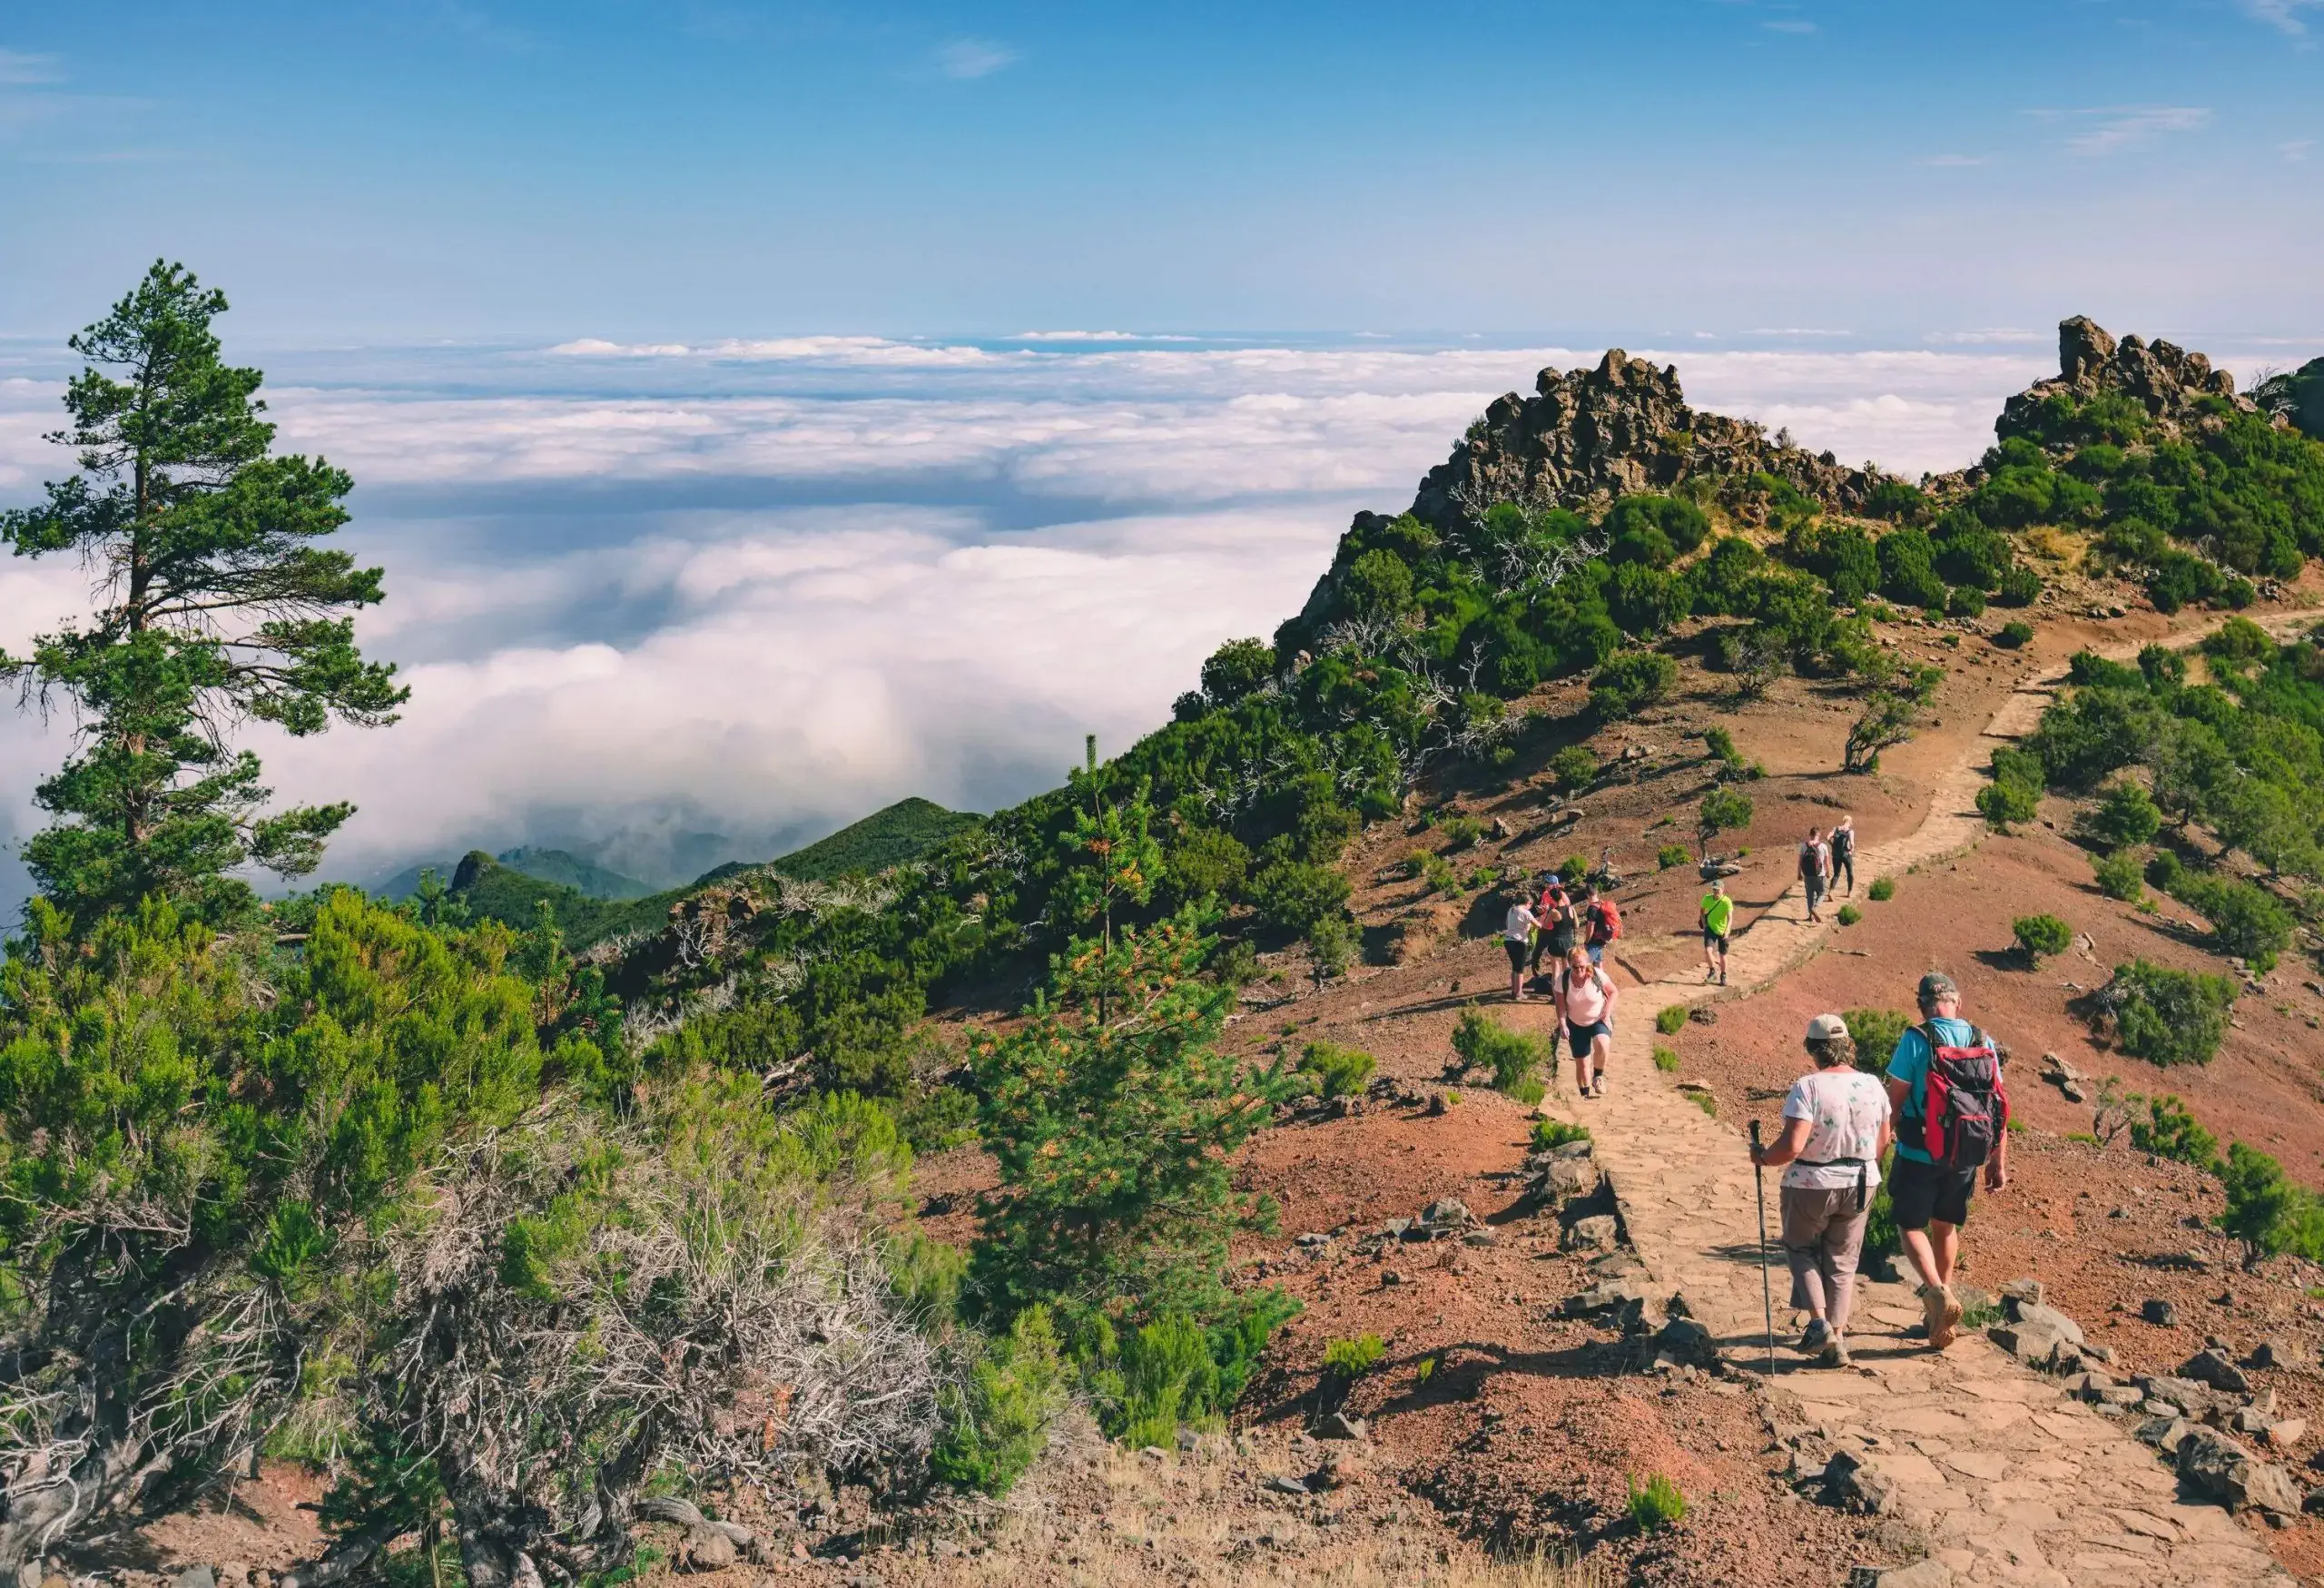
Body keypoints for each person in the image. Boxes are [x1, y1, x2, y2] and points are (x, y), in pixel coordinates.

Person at [1750, 1014, 1893, 1367]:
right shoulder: (1874, 1084)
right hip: (1861, 1180)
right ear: (1847, 1046)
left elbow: (1793, 1145)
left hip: (1812, 1182)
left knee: (1801, 1249)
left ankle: (1819, 1325)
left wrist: (1764, 1158)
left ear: (1813, 1048)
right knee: (1843, 1261)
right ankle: (1839, 1340)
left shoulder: (1808, 1086)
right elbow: (1883, 1140)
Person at [1884, 972, 2010, 1349]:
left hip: (1919, 1153)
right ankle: (1937, 1314)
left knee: (1909, 1227)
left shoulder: (1917, 1038)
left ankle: (1938, 1294)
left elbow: (1894, 1103)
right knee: (1946, 1227)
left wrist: (1873, 1154)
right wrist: (1998, 1163)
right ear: (1958, 1003)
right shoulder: (1981, 1040)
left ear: (1923, 1005)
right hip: (1965, 1155)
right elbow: (1997, 1107)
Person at [1553, 944, 1618, 1099]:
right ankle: (1585, 1096)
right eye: (1575, 967)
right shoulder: (1563, 979)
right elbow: (1560, 1006)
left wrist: (1607, 1013)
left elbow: (1613, 991)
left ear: (1587, 964)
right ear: (1569, 964)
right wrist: (1562, 1024)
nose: (1579, 970)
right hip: (1575, 1024)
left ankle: (1598, 1077)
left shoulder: (1597, 975)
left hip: (1598, 1019)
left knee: (1602, 1043)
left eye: (1582, 966)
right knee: (1582, 1065)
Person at [1502, 892, 1541, 1002]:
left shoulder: (1511, 910)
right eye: (1531, 905)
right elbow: (1537, 925)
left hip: (1508, 941)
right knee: (1520, 969)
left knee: (1515, 967)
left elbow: (1508, 924)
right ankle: (1519, 993)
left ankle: (1514, 991)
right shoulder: (1526, 912)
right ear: (1529, 903)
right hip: (1519, 942)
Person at [1699, 877, 1733, 985]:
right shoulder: (1707, 899)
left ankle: (1723, 975)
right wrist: (1704, 923)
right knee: (1708, 951)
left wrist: (1727, 930)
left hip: (1723, 931)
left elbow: (1730, 917)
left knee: (1722, 955)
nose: (1716, 892)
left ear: (1723, 889)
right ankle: (1712, 972)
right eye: (1714, 890)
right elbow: (1702, 910)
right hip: (1710, 928)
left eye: (1718, 890)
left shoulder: (1726, 901)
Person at [1581, 883, 1620, 968]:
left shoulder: (1592, 909)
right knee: (1598, 966)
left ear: (1587, 894)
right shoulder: (1602, 904)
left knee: (1585, 965)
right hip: (1602, 939)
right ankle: (1602, 980)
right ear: (1596, 892)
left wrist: (1586, 942)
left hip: (1594, 942)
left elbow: (1590, 927)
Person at [1799, 827, 1829, 924]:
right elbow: (1826, 862)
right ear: (1818, 835)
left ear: (1810, 834)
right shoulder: (1823, 846)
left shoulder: (1804, 846)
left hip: (1807, 874)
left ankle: (1810, 917)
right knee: (1821, 892)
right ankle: (1816, 908)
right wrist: (1828, 872)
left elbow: (1800, 861)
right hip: (1820, 874)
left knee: (1810, 895)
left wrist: (1799, 873)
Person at [1830, 815, 1856, 897]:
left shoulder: (1836, 829)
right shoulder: (1850, 831)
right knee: (1850, 872)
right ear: (1850, 822)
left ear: (1843, 821)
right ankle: (1849, 892)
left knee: (1836, 874)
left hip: (1836, 855)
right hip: (1846, 854)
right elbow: (1852, 843)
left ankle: (1831, 891)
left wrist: (1832, 845)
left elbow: (1828, 837)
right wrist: (1851, 851)